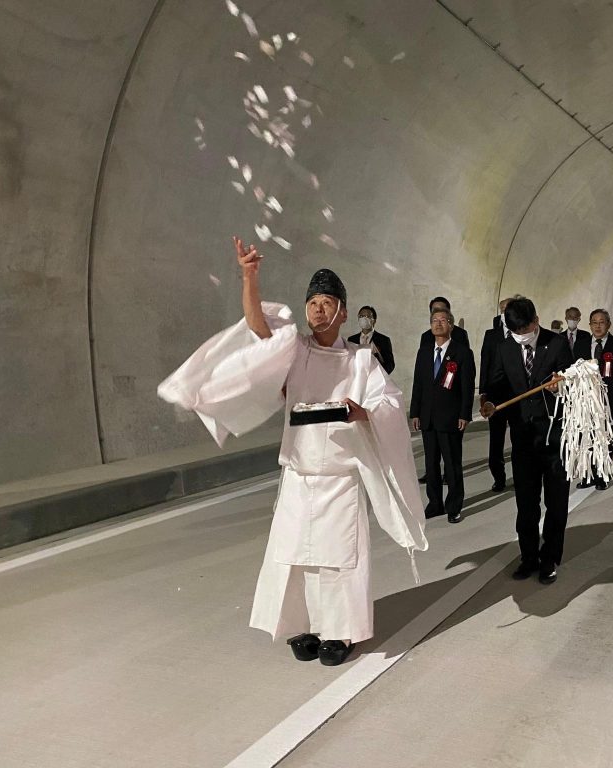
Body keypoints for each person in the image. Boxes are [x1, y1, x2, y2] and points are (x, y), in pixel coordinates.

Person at [158, 238, 427, 667]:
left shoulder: (361, 361)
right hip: (300, 477)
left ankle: (339, 632)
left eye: (327, 302)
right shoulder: (295, 351)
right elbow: (259, 330)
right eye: (312, 303)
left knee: (338, 564)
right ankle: (302, 626)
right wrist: (249, 277)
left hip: (340, 480)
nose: (318, 310)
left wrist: (363, 412)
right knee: (295, 558)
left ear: (343, 311)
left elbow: (390, 403)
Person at [481, 297, 574, 584]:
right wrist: (489, 401)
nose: (521, 336)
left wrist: (560, 387)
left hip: (555, 437)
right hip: (523, 438)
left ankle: (549, 559)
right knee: (526, 503)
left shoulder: (557, 344)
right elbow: (497, 383)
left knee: (556, 503)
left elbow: (572, 384)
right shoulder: (505, 347)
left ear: (536, 320)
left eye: (525, 330)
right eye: (515, 332)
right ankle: (529, 557)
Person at [410, 308, 475, 524]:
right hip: (428, 417)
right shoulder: (424, 352)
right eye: (434, 320)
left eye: (443, 320)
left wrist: (464, 414)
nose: (438, 324)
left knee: (452, 464)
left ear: (451, 325)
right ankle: (435, 503)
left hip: (450, 418)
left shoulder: (462, 353)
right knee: (431, 464)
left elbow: (467, 387)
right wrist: (415, 412)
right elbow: (418, 384)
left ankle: (454, 506)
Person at [574, 308, 613, 489]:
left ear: (608, 324)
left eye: (601, 322)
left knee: (604, 437)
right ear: (589, 325)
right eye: (594, 322)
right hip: (585, 400)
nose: (598, 326)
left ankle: (602, 475)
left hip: (608, 399)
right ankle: (588, 475)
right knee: (585, 437)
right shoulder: (581, 345)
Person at [478, 297, 515, 492]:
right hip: (496, 394)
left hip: (517, 394)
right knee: (496, 439)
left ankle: (521, 474)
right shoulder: (491, 335)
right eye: (502, 310)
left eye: (508, 309)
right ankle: (498, 477)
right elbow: (485, 363)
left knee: (519, 438)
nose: (505, 313)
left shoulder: (522, 332)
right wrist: (483, 392)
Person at [347, 305, 395, 374]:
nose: (364, 318)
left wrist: (379, 375)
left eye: (368, 316)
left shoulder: (383, 340)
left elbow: (390, 365)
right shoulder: (352, 339)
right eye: (361, 316)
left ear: (374, 321)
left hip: (376, 378)